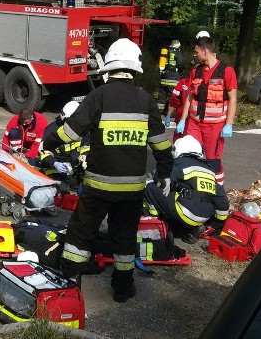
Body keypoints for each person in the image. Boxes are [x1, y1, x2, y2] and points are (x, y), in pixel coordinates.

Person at [46, 38, 173, 303]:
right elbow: (161, 143)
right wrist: (165, 173)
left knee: (81, 232)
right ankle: (123, 289)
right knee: (124, 239)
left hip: (99, 187)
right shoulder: (146, 100)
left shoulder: (99, 96)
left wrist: (49, 140)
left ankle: (68, 280)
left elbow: (72, 130)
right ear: (134, 68)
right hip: (132, 189)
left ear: (110, 66)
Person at [144, 135, 229, 244]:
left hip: (185, 211)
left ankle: (156, 223)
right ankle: (189, 230)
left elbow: (162, 179)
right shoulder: (210, 170)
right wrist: (216, 225)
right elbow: (222, 201)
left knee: (151, 188)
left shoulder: (180, 163)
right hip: (204, 216)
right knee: (185, 197)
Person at [176, 36, 238, 185]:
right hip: (194, 124)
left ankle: (217, 190)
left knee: (212, 159)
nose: (194, 54)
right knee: (190, 154)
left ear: (205, 51)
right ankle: (194, 186)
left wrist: (229, 123)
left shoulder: (226, 71)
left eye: (196, 52)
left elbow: (233, 99)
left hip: (215, 125)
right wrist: (183, 120)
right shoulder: (196, 71)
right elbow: (190, 98)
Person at [38, 101, 89, 190]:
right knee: (62, 192)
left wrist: (85, 156)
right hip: (56, 168)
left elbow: (86, 145)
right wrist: (55, 163)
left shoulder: (81, 128)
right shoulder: (52, 130)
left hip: (76, 169)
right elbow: (43, 152)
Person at [158, 39, 185, 108]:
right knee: (173, 96)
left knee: (162, 97)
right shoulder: (177, 52)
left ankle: (159, 112)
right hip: (173, 78)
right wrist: (181, 72)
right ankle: (170, 113)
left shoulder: (165, 52)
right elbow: (181, 64)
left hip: (163, 78)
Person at [163, 76, 191, 142]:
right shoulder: (183, 83)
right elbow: (174, 101)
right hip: (181, 118)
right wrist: (168, 116)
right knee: (178, 141)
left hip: (195, 120)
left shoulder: (205, 83)